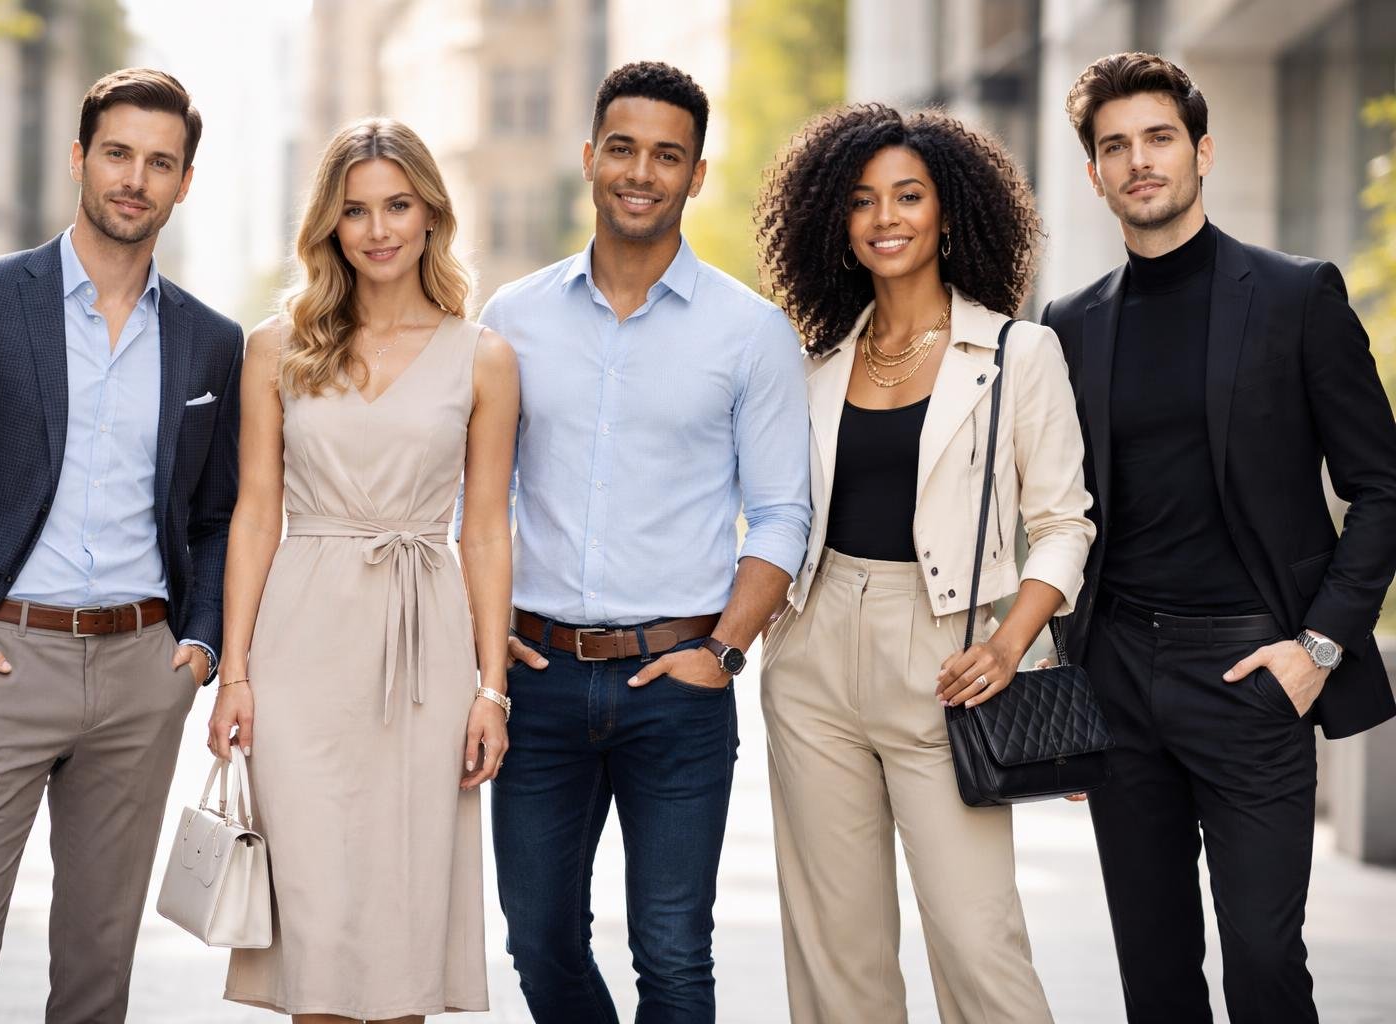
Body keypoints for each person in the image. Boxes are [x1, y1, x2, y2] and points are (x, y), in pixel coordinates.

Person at [0, 69, 239, 1023]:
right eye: (117, 153)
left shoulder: (210, 341)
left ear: (185, 182)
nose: (135, 179)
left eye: (160, 163)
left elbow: (215, 515)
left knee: (97, 972)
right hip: (0, 659)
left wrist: (196, 645)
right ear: (80, 158)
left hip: (141, 671)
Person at [1042, 52, 1396, 1023]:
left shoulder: (1295, 297)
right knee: (1154, 976)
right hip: (1119, 676)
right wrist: (1070, 684)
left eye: (1159, 138)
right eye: (1115, 146)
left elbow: (1382, 486)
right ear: (1094, 174)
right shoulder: (1070, 325)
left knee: (1266, 965)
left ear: (1201, 151)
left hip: (1254, 672)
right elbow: (1063, 516)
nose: (1139, 161)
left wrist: (1318, 646)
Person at [480, 61, 809, 1023]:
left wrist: (724, 650)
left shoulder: (751, 333)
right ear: (590, 157)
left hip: (679, 684)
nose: (641, 172)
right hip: (539, 677)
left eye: (668, 156)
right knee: (538, 940)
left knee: (671, 952)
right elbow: (477, 502)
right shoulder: (512, 319)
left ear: (696, 175)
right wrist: (485, 641)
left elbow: (782, 515)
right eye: (622, 149)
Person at [753, 103, 1095, 1024]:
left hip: (950, 654)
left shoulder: (1018, 353)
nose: (886, 218)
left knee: (979, 942)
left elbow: (1064, 524)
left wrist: (1008, 645)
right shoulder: (816, 363)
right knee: (836, 951)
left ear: (949, 213)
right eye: (862, 200)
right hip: (814, 648)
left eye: (909, 196)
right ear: (837, 221)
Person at [210, 116, 517, 1024]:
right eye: (355, 211)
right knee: (315, 928)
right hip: (301, 652)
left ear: (432, 214)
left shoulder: (484, 357)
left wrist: (490, 690)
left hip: (425, 656)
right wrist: (236, 674)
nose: (378, 229)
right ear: (329, 226)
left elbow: (485, 531)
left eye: (398, 205)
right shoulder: (276, 347)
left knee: (401, 923)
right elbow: (255, 513)